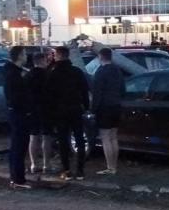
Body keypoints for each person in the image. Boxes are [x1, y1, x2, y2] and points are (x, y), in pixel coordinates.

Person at [48, 45, 90, 181]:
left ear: (58, 56)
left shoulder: (53, 73)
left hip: (60, 111)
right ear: (68, 56)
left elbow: (49, 94)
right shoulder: (77, 72)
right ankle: (80, 171)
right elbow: (85, 90)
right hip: (76, 109)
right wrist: (86, 106)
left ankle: (66, 170)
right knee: (79, 139)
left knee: (63, 140)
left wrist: (52, 112)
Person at [91, 47, 125, 175]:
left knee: (105, 137)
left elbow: (97, 93)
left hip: (104, 107)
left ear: (100, 57)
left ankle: (110, 167)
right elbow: (123, 89)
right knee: (113, 137)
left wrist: (93, 110)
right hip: (116, 106)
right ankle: (114, 165)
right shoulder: (117, 70)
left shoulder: (100, 72)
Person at [4, 46, 32, 189]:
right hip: (18, 114)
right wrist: (25, 109)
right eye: (25, 54)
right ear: (20, 56)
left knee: (18, 146)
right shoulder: (13, 75)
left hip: (17, 113)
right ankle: (17, 179)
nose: (27, 56)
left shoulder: (15, 72)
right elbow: (15, 97)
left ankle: (16, 177)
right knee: (18, 146)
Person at [27, 51, 54, 174]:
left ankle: (33, 164)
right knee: (46, 137)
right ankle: (46, 165)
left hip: (32, 109)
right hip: (46, 109)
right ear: (42, 60)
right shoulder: (48, 75)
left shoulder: (27, 76)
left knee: (33, 137)